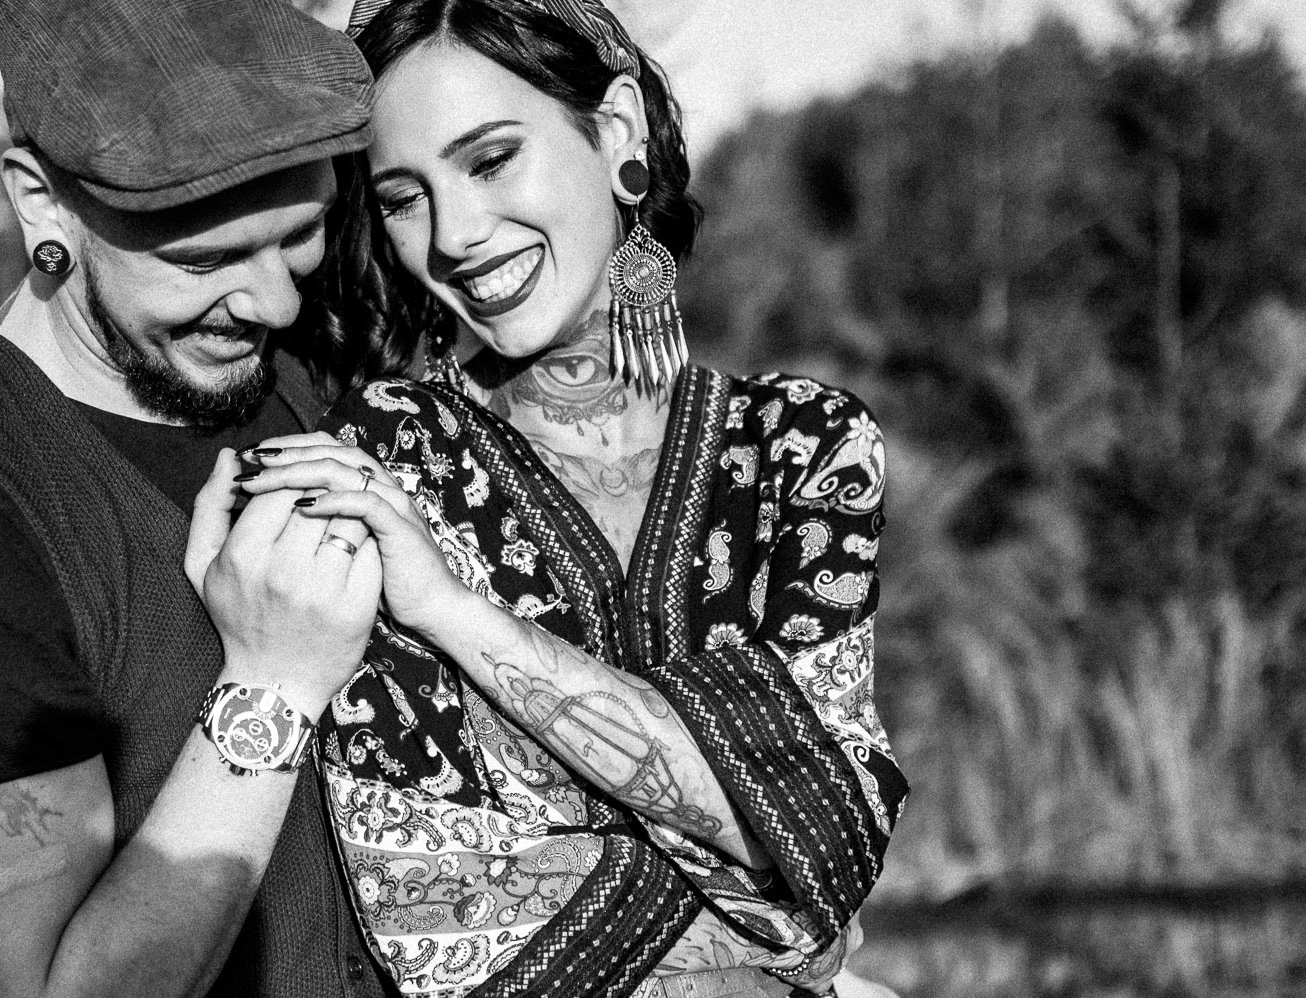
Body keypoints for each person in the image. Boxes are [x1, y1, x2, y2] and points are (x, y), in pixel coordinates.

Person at [188, 1, 911, 996]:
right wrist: (769, 891)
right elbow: (439, 905)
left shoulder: (804, 445)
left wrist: (451, 610)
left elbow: (836, 831)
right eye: (403, 198)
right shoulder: (383, 460)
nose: (454, 235)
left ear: (616, 131)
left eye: (491, 160)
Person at [0, 0, 394, 995]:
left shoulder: (296, 363)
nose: (276, 301)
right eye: (204, 260)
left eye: (302, 232)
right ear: (42, 204)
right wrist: (273, 688)